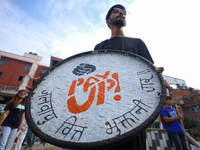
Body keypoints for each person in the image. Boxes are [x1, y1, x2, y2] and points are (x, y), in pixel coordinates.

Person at [94, 4, 170, 150]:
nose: (121, 13)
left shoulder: (137, 42)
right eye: (116, 11)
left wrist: (160, 77)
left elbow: (151, 68)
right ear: (108, 21)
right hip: (104, 107)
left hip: (132, 108)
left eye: (124, 12)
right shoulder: (99, 46)